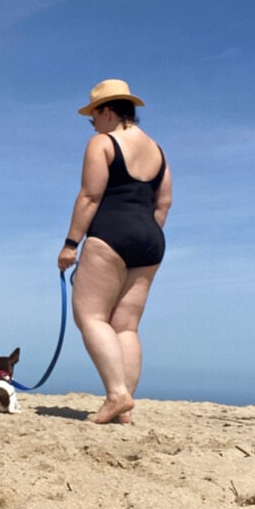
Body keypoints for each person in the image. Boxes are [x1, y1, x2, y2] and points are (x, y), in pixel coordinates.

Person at [58, 79, 172, 424]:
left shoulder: (102, 143)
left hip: (111, 231)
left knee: (91, 317)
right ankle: (124, 408)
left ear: (107, 112)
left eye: (93, 118)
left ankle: (116, 394)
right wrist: (142, 235)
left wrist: (71, 244)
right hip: (151, 237)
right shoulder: (158, 150)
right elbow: (163, 203)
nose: (92, 125)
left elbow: (90, 196)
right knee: (126, 327)